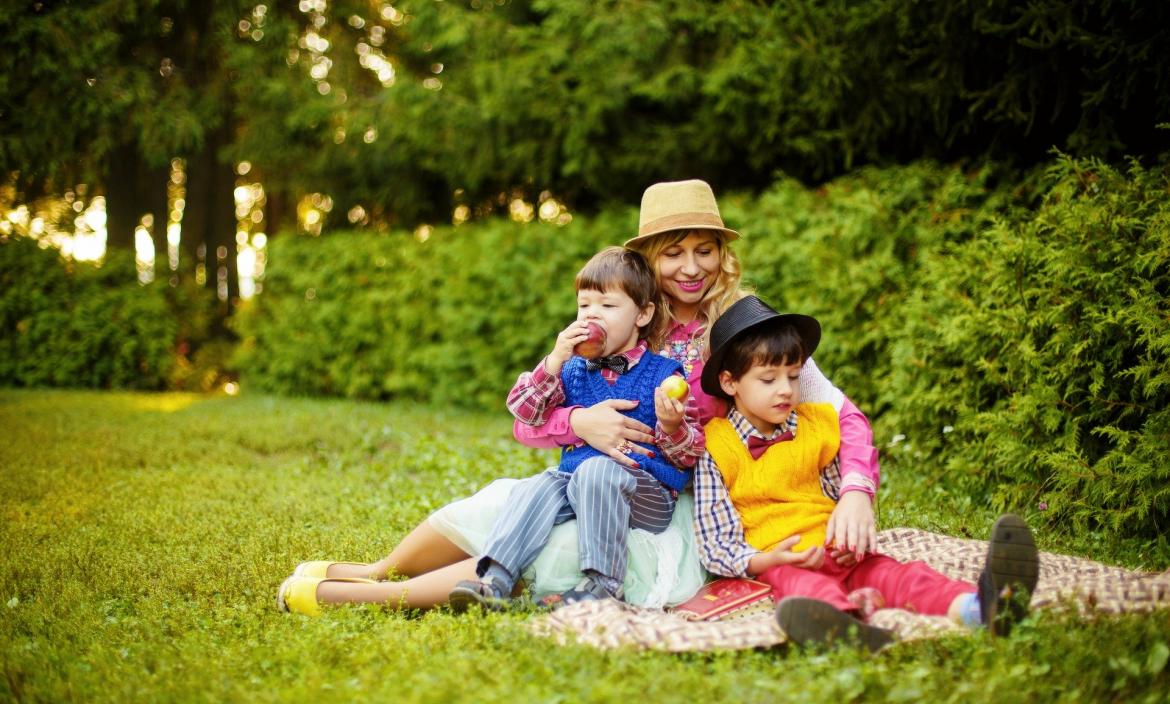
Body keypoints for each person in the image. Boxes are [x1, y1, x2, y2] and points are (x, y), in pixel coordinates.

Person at [277, 180, 880, 615]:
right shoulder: (615, 319)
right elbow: (529, 424)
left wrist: (856, 493)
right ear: (646, 260)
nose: (690, 267)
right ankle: (377, 570)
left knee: (556, 545)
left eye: (704, 249)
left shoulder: (748, 329)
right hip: (590, 468)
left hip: (681, 500)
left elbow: (839, 415)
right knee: (507, 504)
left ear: (723, 254)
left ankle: (375, 596)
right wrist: (581, 421)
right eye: (672, 251)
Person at [693, 295, 1041, 651]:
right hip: (784, 559)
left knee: (902, 575)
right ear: (730, 382)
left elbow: (836, 496)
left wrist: (849, 541)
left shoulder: (817, 425)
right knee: (806, 590)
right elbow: (717, 543)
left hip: (838, 550)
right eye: (768, 379)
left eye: (794, 376)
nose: (786, 389)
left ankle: (982, 609)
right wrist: (771, 559)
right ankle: (845, 629)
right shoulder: (715, 447)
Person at [446, 247, 703, 611]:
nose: (592, 315)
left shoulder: (665, 374)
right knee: (538, 484)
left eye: (608, 307)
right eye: (584, 306)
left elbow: (689, 454)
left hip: (645, 495)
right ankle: (495, 580)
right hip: (578, 483)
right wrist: (553, 361)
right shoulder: (570, 369)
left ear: (642, 314)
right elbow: (525, 413)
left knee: (597, 470)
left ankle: (603, 584)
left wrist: (673, 425)